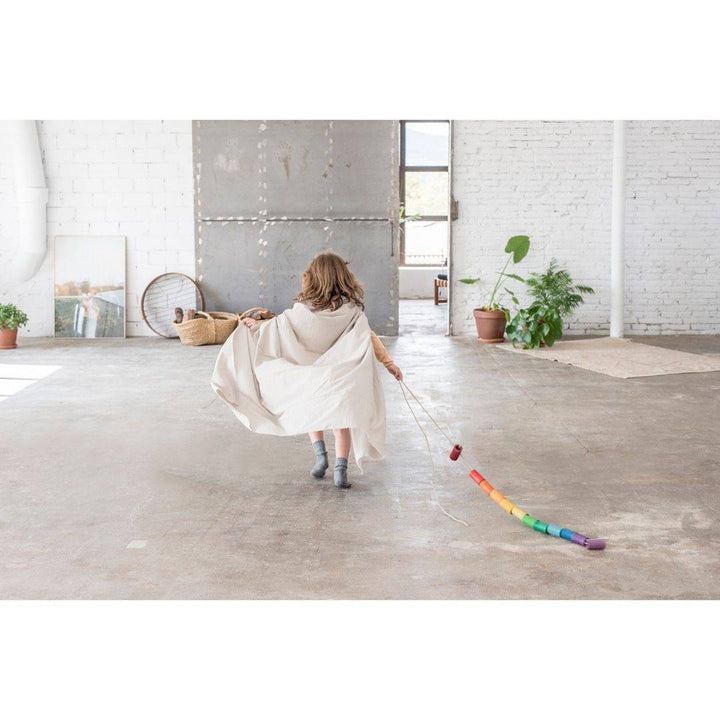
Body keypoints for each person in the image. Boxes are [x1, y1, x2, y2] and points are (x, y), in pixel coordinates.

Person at [211, 251, 402, 489]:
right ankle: (340, 470)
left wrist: (258, 326)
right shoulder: (351, 311)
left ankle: (321, 456)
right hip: (339, 377)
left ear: (311, 278)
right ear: (344, 278)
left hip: (311, 375)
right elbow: (368, 338)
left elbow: (280, 327)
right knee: (341, 421)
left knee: (312, 411)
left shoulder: (301, 310)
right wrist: (388, 362)